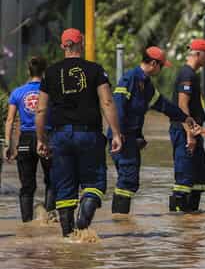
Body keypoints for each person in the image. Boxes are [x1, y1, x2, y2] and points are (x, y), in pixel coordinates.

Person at [35, 28, 123, 237]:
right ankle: (84, 216)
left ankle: (68, 236)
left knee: (64, 186)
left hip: (61, 136)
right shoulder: (95, 70)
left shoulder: (51, 73)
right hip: (89, 134)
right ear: (81, 43)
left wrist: (41, 139)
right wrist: (116, 133)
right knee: (94, 182)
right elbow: (107, 102)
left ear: (62, 46)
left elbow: (40, 109)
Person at [110, 47, 196, 215]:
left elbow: (162, 105)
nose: (162, 70)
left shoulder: (145, 84)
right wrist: (117, 133)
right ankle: (120, 224)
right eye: (162, 66)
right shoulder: (130, 78)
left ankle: (121, 223)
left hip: (130, 138)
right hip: (122, 137)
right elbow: (118, 106)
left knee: (128, 181)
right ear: (154, 64)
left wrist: (183, 117)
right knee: (127, 181)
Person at [4, 56, 55, 222]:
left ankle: (26, 223)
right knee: (52, 180)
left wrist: (8, 144)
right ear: (45, 71)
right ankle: (50, 216)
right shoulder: (51, 90)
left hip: (25, 141)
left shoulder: (17, 92)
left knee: (27, 186)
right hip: (46, 137)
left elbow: (10, 120)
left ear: (28, 71)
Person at [169, 38, 205, 212]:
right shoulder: (187, 74)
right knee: (184, 178)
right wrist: (189, 134)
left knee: (200, 177)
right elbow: (182, 105)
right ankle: (179, 223)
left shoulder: (191, 74)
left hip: (192, 131)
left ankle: (192, 222)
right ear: (198, 54)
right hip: (184, 132)